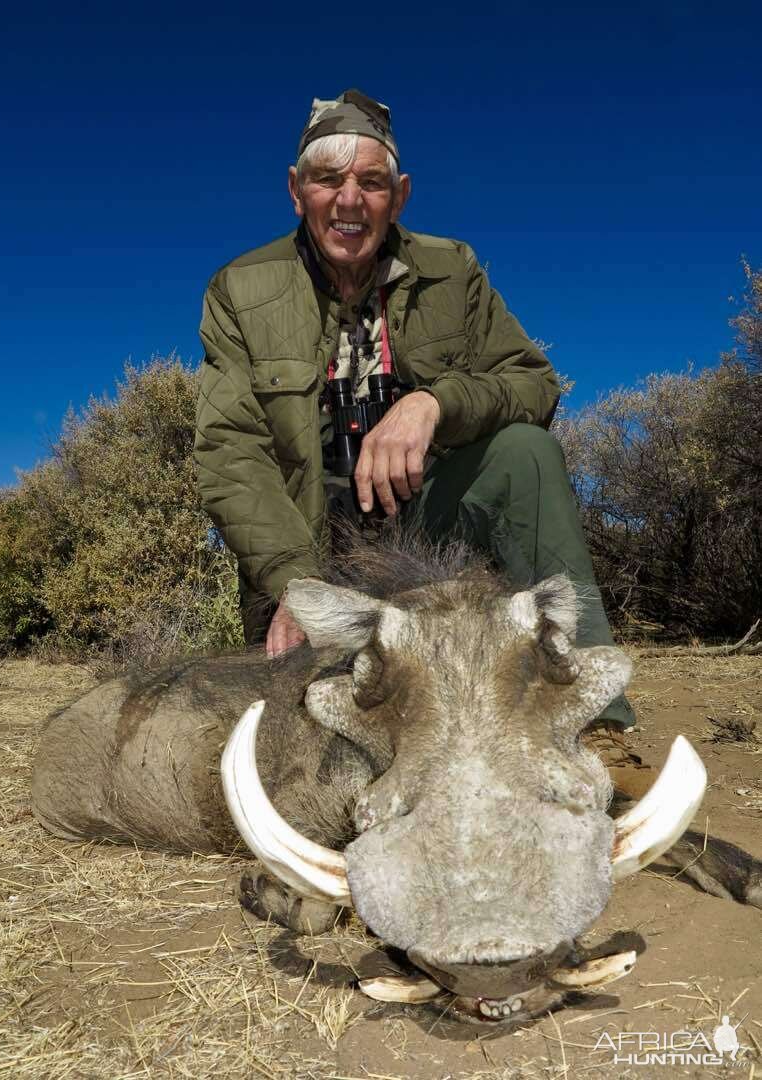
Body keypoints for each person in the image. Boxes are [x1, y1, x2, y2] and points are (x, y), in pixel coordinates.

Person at [194, 88, 636, 737]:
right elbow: (229, 454)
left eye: (371, 182)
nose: (349, 201)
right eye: (328, 179)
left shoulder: (452, 271)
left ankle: (594, 720)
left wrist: (436, 403)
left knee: (526, 453)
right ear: (296, 190)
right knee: (318, 738)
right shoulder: (239, 289)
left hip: (427, 549)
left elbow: (532, 382)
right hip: (312, 565)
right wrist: (296, 582)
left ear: (397, 196)